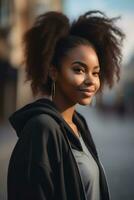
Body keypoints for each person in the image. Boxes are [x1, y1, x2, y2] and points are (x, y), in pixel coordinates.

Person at [7, 10, 124, 200]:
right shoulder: (41, 129)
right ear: (54, 72)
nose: (90, 81)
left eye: (95, 73)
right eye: (79, 69)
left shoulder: (79, 125)